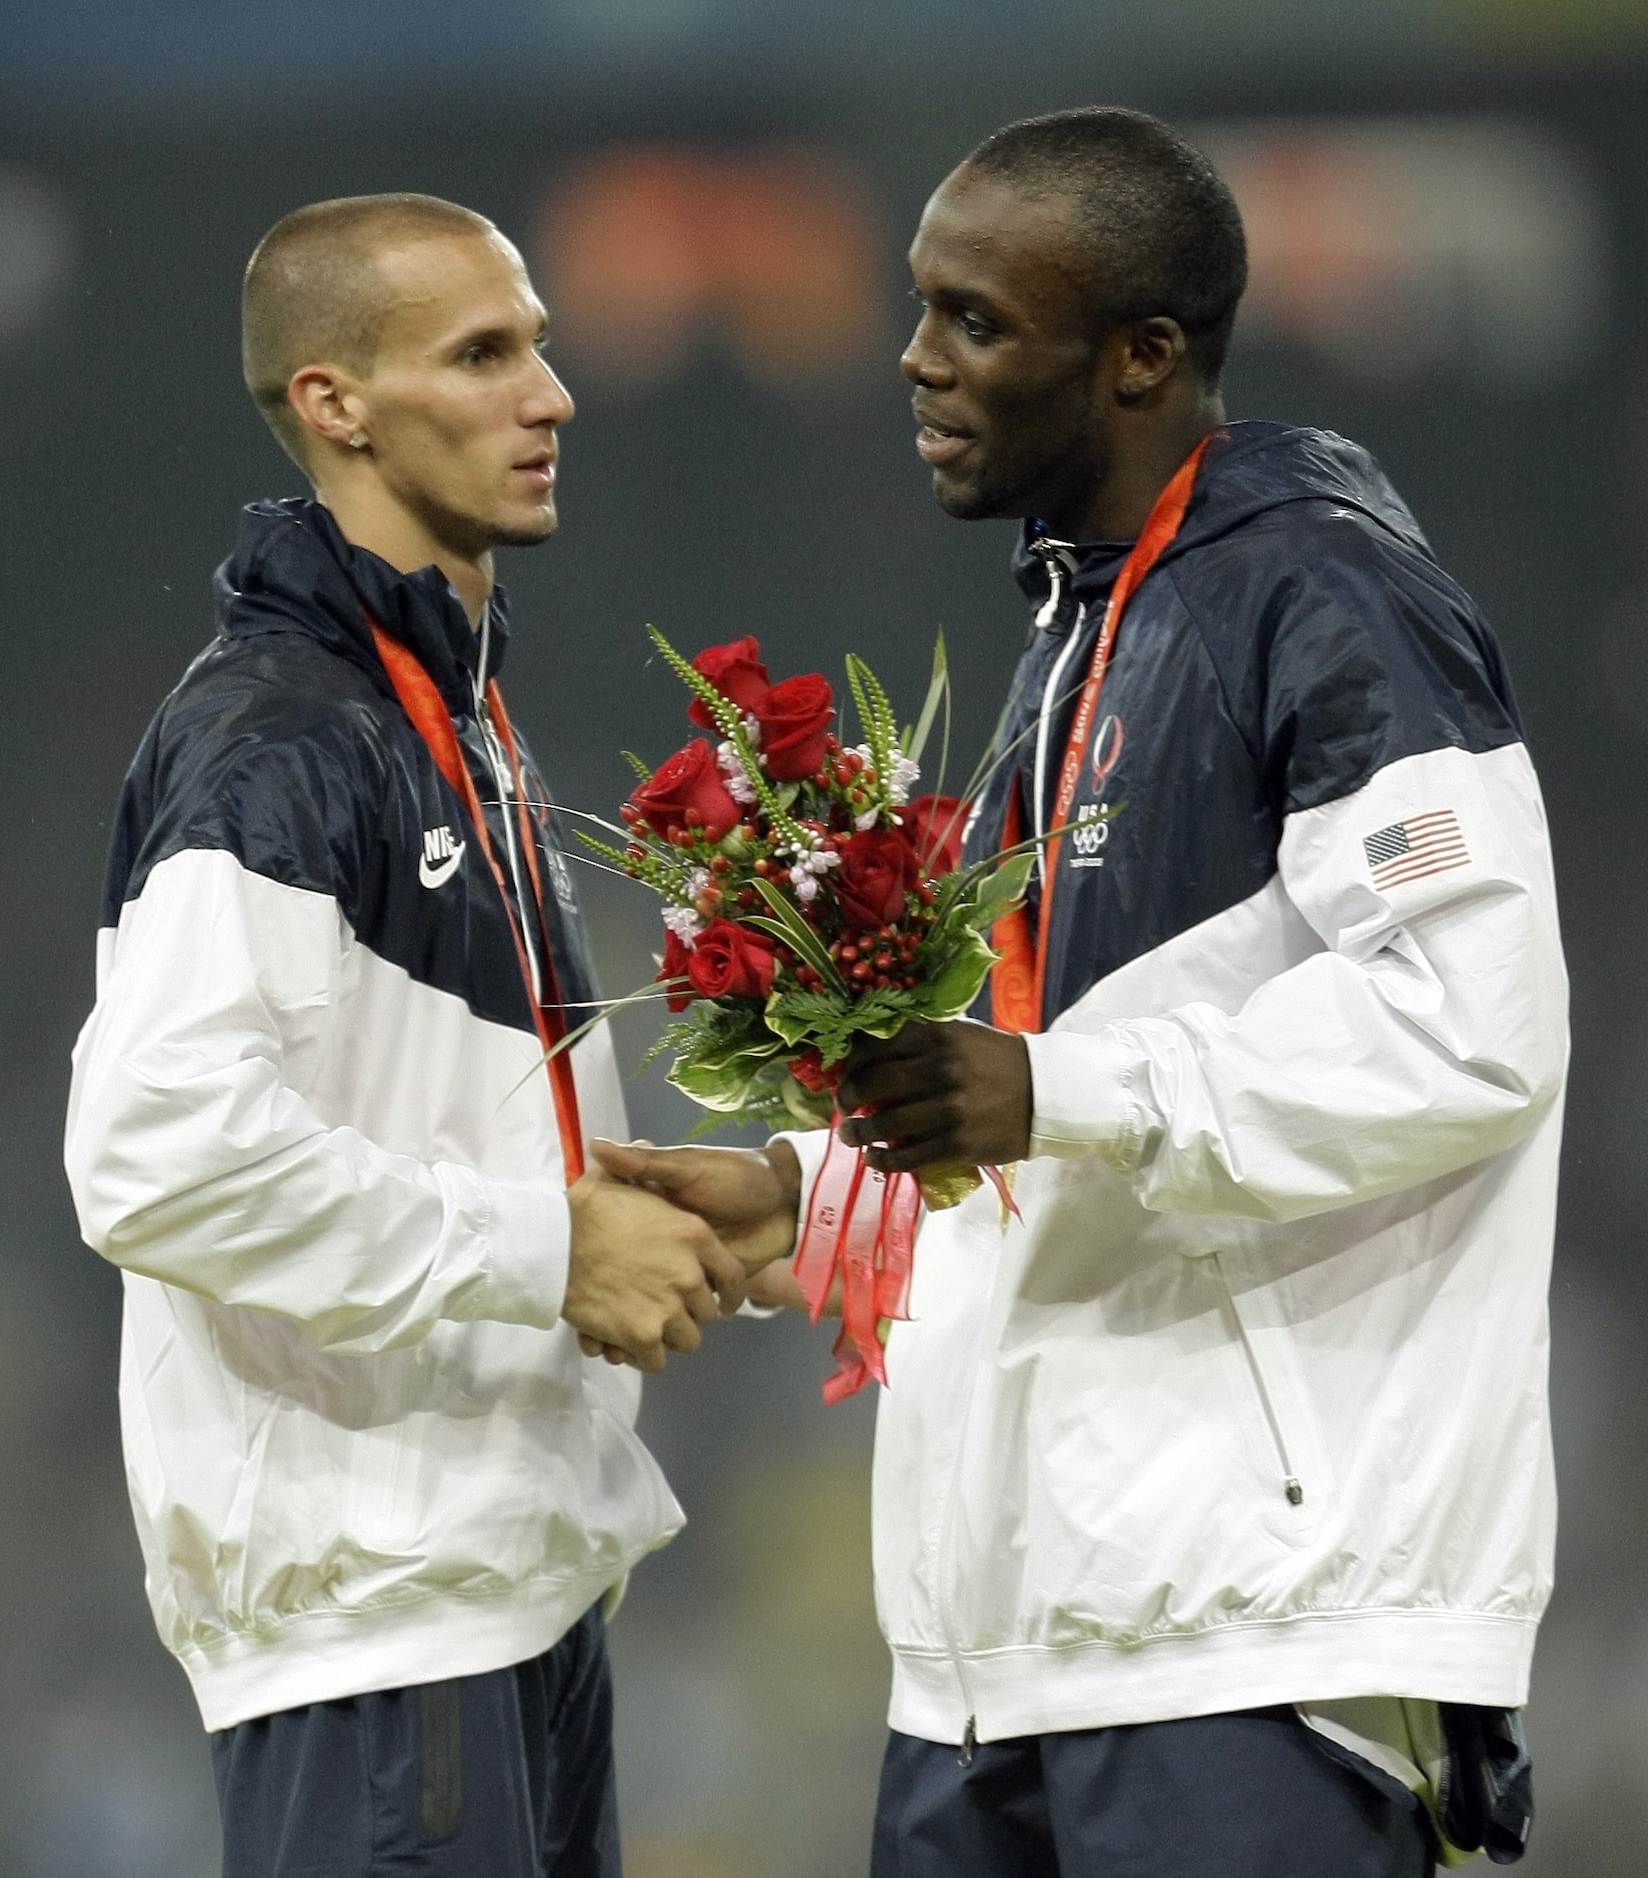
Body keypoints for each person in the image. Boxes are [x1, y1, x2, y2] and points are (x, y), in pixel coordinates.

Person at [614, 108, 1565, 1874]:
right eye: (920, 307)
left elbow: (1468, 1023)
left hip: (1250, 1633)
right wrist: (800, 1199)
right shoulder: (1079, 639)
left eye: (974, 317)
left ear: (1140, 356)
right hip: (1009, 1644)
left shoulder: (1325, 598)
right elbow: (1047, 1088)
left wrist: (1044, 1097)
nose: (914, 356)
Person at [62, 193, 785, 1878]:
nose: (552, 394)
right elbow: (151, 1152)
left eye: (536, 342)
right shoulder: (281, 731)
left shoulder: (446, 706)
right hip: (380, 1629)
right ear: (336, 403)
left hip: (503, 1591)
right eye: (483, 353)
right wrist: (548, 1247)